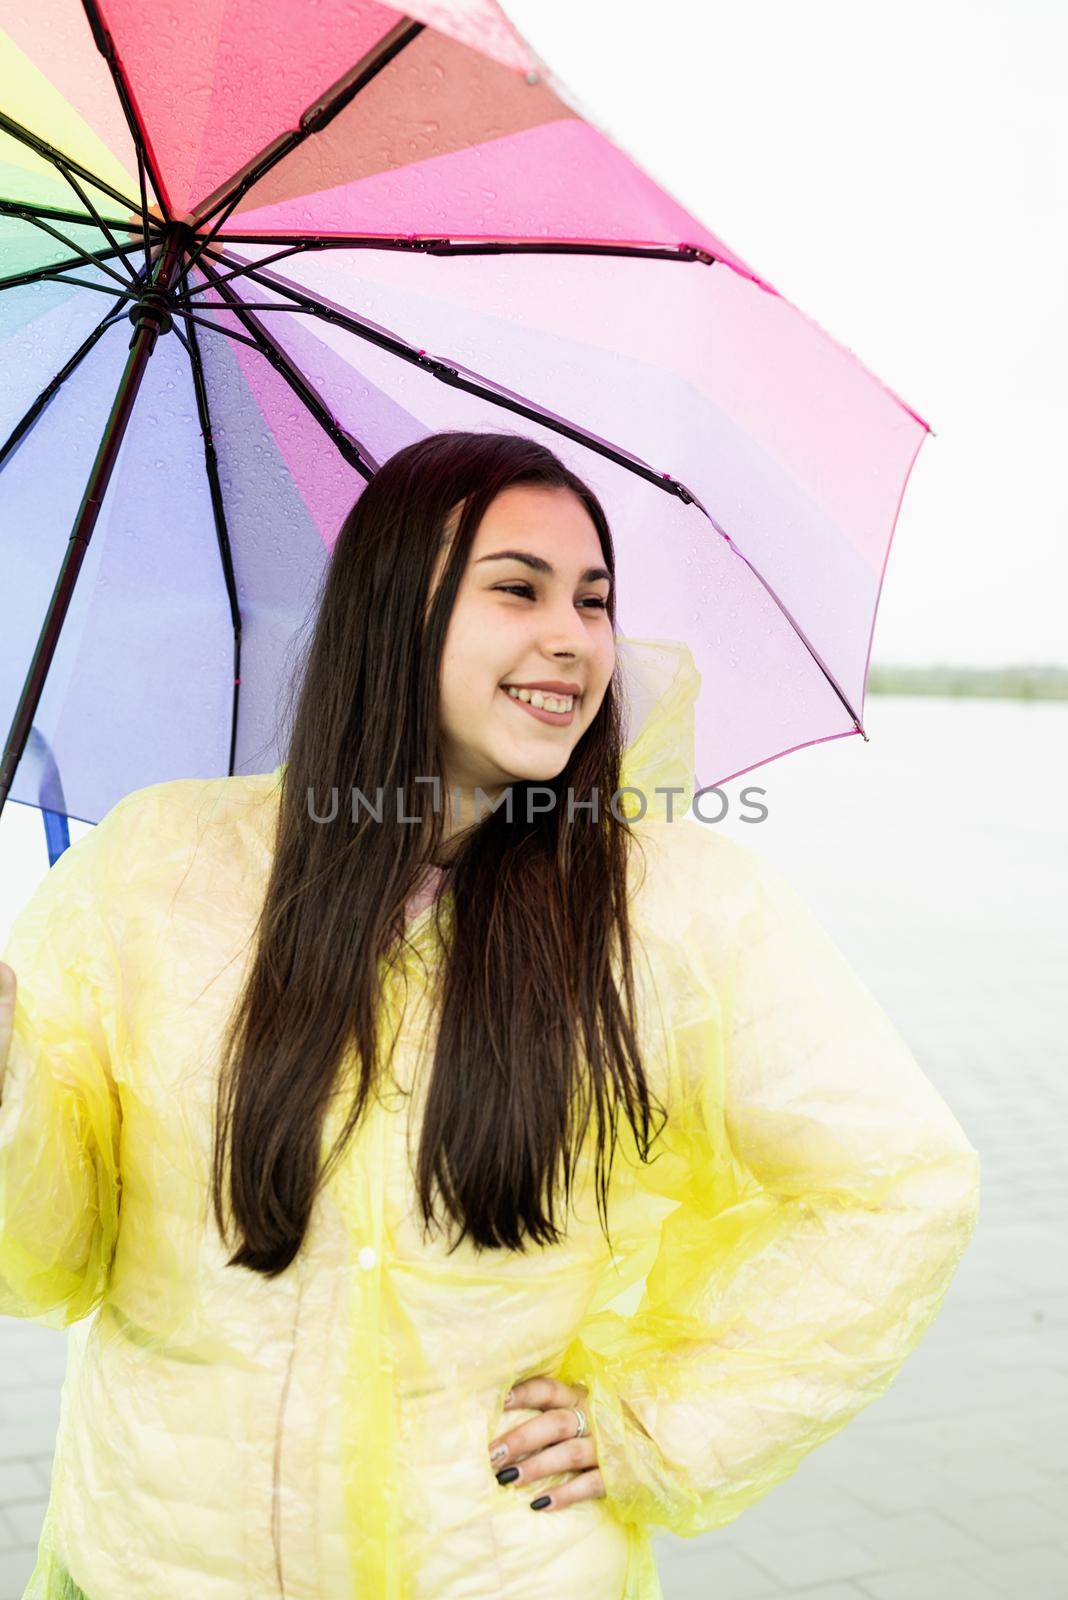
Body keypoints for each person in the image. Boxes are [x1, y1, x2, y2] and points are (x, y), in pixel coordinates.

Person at [0, 430, 980, 1600]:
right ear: (388, 609)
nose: (571, 636)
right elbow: (47, 1257)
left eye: (595, 599)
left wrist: (655, 1421)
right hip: (150, 1564)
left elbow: (899, 1184)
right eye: (516, 587)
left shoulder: (673, 910)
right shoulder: (159, 866)